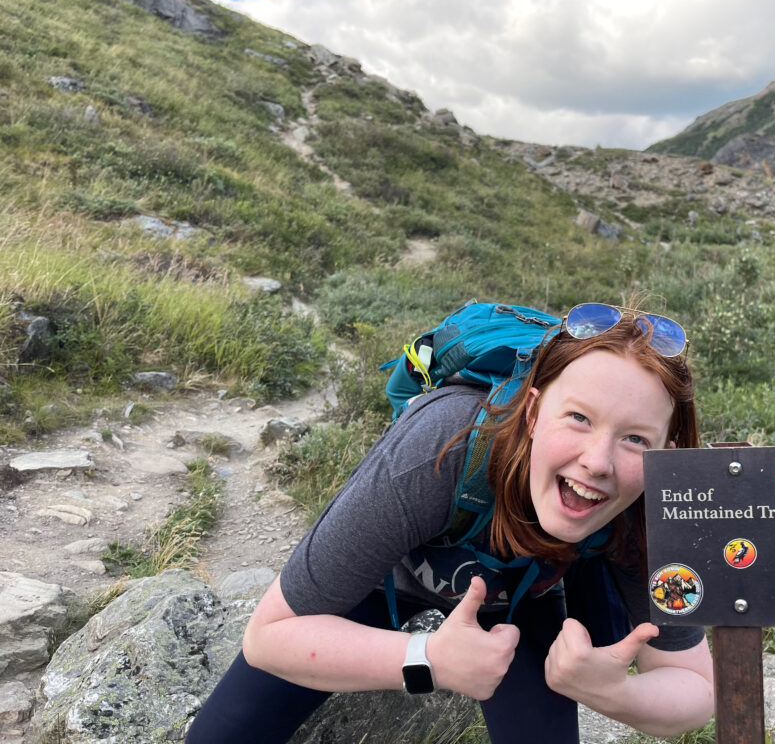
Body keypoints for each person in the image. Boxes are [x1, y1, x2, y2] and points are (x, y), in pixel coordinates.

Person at [187, 302, 714, 743]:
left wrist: (613, 692)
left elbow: (694, 687)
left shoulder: (653, 505)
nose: (597, 462)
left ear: (665, 454)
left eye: (635, 439)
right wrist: (428, 659)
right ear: (532, 413)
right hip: (391, 576)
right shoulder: (439, 447)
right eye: (578, 417)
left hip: (525, 597)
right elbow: (268, 637)